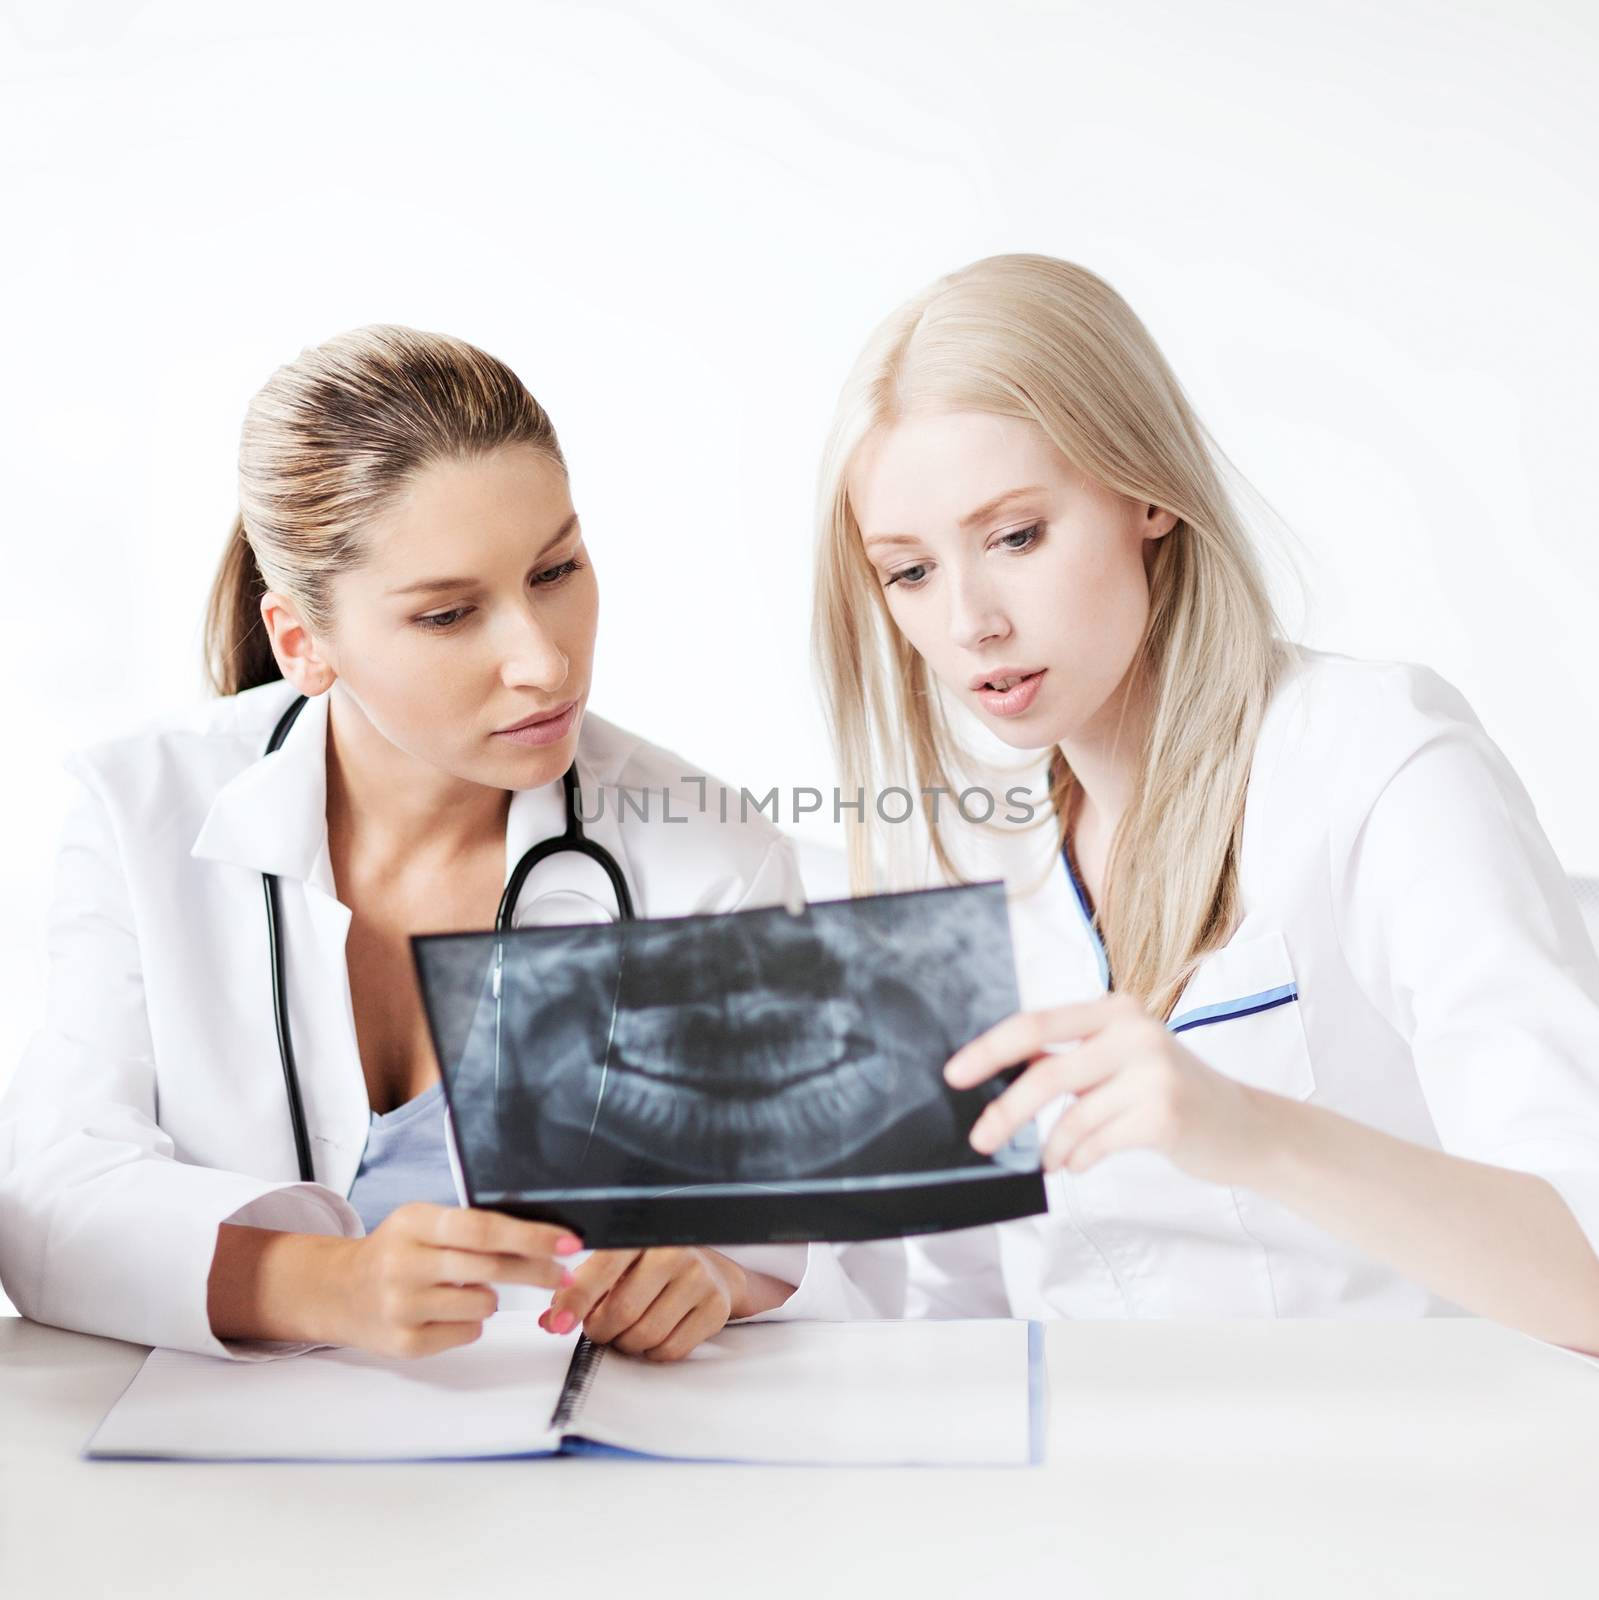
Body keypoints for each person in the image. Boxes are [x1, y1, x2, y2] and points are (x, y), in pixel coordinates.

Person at [756, 253, 1599, 1350]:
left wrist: (1250, 1131)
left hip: (1394, 1484)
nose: (970, 623)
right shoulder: (961, 858)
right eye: (909, 571)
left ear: (1146, 488)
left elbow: (1586, 1269)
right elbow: (946, 1313)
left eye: (1015, 536)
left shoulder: (1375, 757)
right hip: (1087, 1496)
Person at [0, 325, 802, 1362]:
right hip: (216, 1498)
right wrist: (325, 1284)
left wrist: (708, 1274)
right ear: (303, 642)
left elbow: (794, 1232)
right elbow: (48, 1192)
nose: (542, 659)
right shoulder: (136, 810)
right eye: (450, 613)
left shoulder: (710, 854)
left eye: (557, 568)